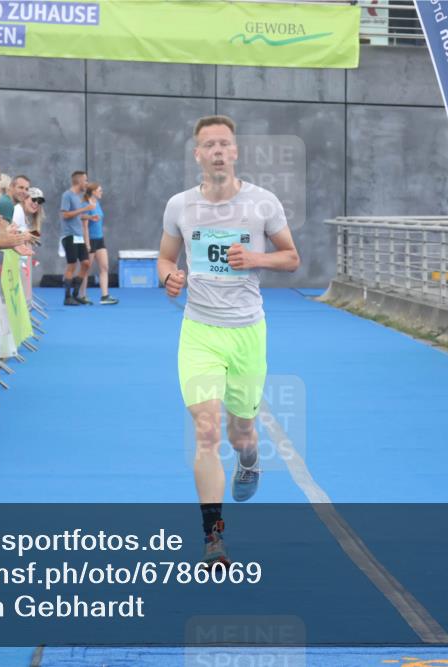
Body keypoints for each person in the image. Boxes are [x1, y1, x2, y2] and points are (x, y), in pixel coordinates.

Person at [158, 115, 300, 566]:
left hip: (246, 333)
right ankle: (213, 538)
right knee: (205, 431)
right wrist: (169, 278)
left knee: (240, 432)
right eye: (209, 145)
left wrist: (256, 258)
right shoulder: (180, 206)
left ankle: (250, 456)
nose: (217, 151)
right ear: (197, 154)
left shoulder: (262, 203)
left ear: (235, 151)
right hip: (199, 331)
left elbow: (291, 257)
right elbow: (165, 259)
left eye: (224, 143)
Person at [59, 171, 95, 306]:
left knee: (86, 263)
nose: (87, 183)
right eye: (85, 180)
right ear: (79, 181)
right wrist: (85, 209)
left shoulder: (78, 197)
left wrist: (89, 217)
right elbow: (65, 215)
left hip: (78, 236)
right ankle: (67, 297)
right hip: (70, 235)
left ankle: (75, 294)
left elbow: (77, 216)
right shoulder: (67, 195)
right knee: (72, 265)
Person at [81, 182, 118, 305]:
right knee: (86, 269)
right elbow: (85, 226)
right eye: (100, 190)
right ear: (93, 192)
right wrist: (87, 244)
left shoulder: (97, 204)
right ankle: (82, 295)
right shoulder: (86, 205)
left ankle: (105, 296)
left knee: (104, 267)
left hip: (100, 240)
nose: (101, 192)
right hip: (90, 240)